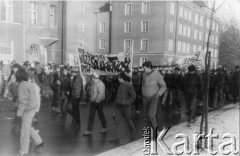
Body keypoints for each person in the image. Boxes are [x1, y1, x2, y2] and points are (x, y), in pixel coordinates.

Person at [13, 68, 44, 156]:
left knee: (24, 131)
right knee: (27, 127)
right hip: (32, 108)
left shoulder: (22, 85)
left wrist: (18, 115)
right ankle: (39, 142)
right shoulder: (30, 84)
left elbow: (22, 102)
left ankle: (24, 151)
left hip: (27, 110)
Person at [109, 72, 136, 143]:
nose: (117, 79)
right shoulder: (120, 85)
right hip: (119, 107)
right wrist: (115, 107)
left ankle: (133, 132)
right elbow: (118, 97)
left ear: (121, 78)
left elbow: (133, 96)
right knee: (116, 122)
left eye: (118, 78)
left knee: (128, 121)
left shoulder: (129, 86)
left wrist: (126, 103)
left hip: (125, 107)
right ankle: (116, 137)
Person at [141, 61, 166, 132]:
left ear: (149, 68)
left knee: (152, 115)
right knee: (146, 116)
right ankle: (150, 130)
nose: (143, 69)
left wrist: (158, 94)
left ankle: (157, 130)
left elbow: (163, 86)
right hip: (145, 97)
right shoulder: (144, 74)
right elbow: (143, 84)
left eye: (144, 68)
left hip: (154, 98)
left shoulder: (157, 75)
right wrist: (142, 92)